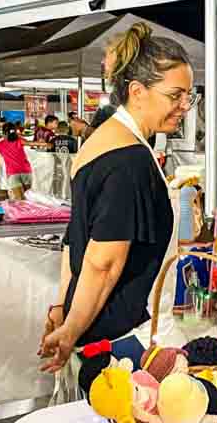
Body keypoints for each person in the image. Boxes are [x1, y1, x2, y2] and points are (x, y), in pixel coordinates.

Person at [39, 22, 195, 375]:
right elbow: (102, 262)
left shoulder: (100, 142)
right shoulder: (130, 161)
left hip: (100, 325)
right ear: (137, 92)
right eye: (175, 96)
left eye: (189, 95)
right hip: (122, 340)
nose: (184, 105)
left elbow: (73, 239)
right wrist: (71, 329)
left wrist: (64, 309)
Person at [0, 122, 33, 200]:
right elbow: (30, 143)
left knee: (20, 199)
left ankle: (24, 211)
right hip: (25, 171)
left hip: (14, 173)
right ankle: (28, 211)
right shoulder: (19, 140)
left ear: (3, 133)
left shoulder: (0, 144)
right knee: (28, 197)